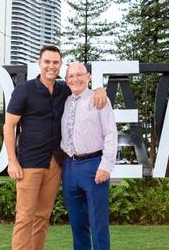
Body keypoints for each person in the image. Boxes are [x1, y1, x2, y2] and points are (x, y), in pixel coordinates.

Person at [3, 46, 106, 250]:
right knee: (25, 217)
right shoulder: (24, 90)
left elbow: (83, 87)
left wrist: (100, 88)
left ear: (60, 65)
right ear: (39, 63)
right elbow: (9, 126)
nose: (51, 66)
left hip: (55, 164)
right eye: (47, 62)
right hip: (29, 164)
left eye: (56, 62)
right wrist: (12, 161)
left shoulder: (63, 90)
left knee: (42, 217)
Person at [61, 62, 117, 250]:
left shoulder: (99, 99)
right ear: (66, 80)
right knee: (77, 224)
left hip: (94, 165)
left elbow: (111, 133)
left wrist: (106, 166)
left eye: (79, 74)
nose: (75, 79)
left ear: (88, 77)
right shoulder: (65, 100)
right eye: (71, 76)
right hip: (69, 167)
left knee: (98, 223)